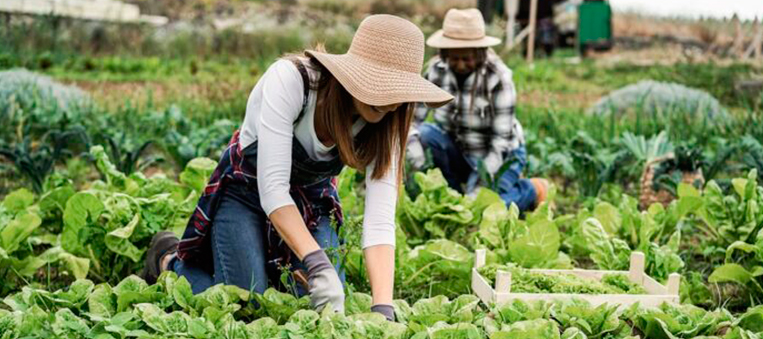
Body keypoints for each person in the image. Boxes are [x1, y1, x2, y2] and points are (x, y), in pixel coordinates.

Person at [141, 14, 453, 321]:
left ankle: (268, 266)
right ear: (354, 72)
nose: (389, 102)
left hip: (311, 203)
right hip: (246, 195)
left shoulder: (389, 122)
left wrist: (383, 307)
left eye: (398, 90)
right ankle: (168, 259)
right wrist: (316, 261)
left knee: (322, 306)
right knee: (245, 303)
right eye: (379, 84)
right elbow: (273, 189)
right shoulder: (293, 81)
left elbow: (380, 220)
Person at [407, 8, 548, 212]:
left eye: (467, 58)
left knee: (480, 210)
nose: (461, 64)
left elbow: (500, 143)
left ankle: (532, 190)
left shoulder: (498, 78)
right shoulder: (435, 71)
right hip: (460, 150)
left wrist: (477, 189)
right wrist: (415, 151)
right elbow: (413, 120)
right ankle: (455, 197)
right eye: (454, 58)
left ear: (480, 53)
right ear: (444, 53)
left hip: (501, 156)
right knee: (428, 134)